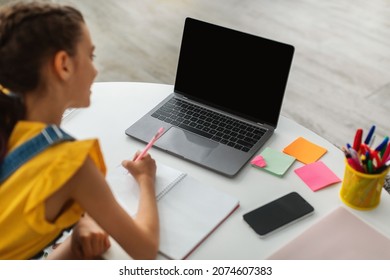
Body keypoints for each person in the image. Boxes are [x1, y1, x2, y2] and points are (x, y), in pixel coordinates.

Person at [0, 1, 159, 259]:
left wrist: (74, 241)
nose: (95, 69)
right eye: (90, 56)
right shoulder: (70, 166)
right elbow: (145, 249)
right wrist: (146, 180)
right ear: (63, 65)